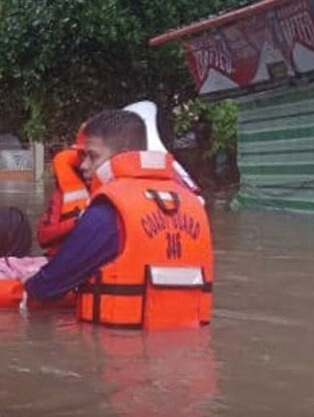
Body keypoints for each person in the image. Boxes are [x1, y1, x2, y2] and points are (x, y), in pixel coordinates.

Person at [22, 110, 213, 329]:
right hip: (187, 349)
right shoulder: (191, 204)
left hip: (119, 352)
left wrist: (30, 282)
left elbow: (49, 287)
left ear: (123, 155)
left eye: (92, 156)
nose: (83, 165)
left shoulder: (109, 211)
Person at [35, 124, 91, 256]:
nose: (86, 163)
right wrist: (77, 221)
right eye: (83, 155)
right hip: (63, 262)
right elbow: (43, 237)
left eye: (92, 156)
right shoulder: (62, 194)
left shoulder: (122, 194)